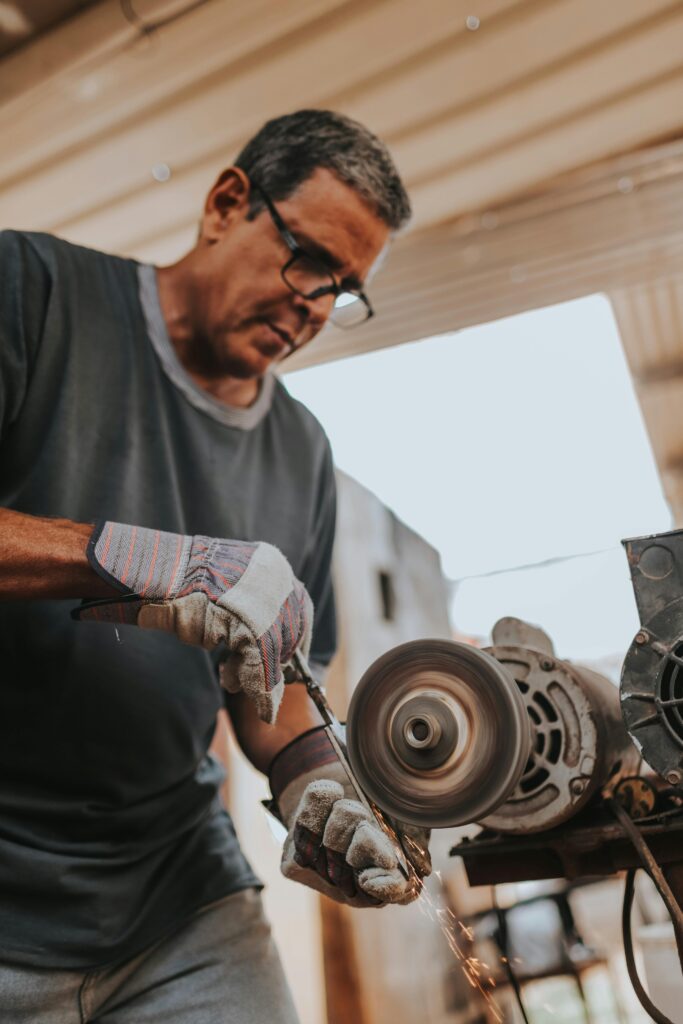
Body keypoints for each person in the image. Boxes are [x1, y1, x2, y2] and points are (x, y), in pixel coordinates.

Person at [0, 109, 430, 1023]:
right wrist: (139, 557)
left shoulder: (301, 452)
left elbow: (270, 690)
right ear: (226, 204)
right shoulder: (30, 292)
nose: (314, 306)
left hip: (177, 903)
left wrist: (316, 785)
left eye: (343, 289)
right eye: (308, 259)